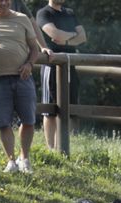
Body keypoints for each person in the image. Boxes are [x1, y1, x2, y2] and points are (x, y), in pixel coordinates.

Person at [0, 0, 45, 173]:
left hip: (22, 77)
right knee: (3, 123)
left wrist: (29, 64)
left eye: (7, 0)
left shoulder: (22, 19)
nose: (3, 3)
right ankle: (11, 161)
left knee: (28, 120)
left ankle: (24, 158)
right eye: (0, 0)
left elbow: (34, 48)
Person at [36, 0, 83, 151]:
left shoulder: (70, 13)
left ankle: (61, 148)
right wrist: (73, 35)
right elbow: (54, 34)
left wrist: (66, 40)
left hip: (70, 65)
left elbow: (83, 37)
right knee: (50, 109)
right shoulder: (43, 13)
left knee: (68, 108)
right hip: (51, 65)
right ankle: (51, 149)